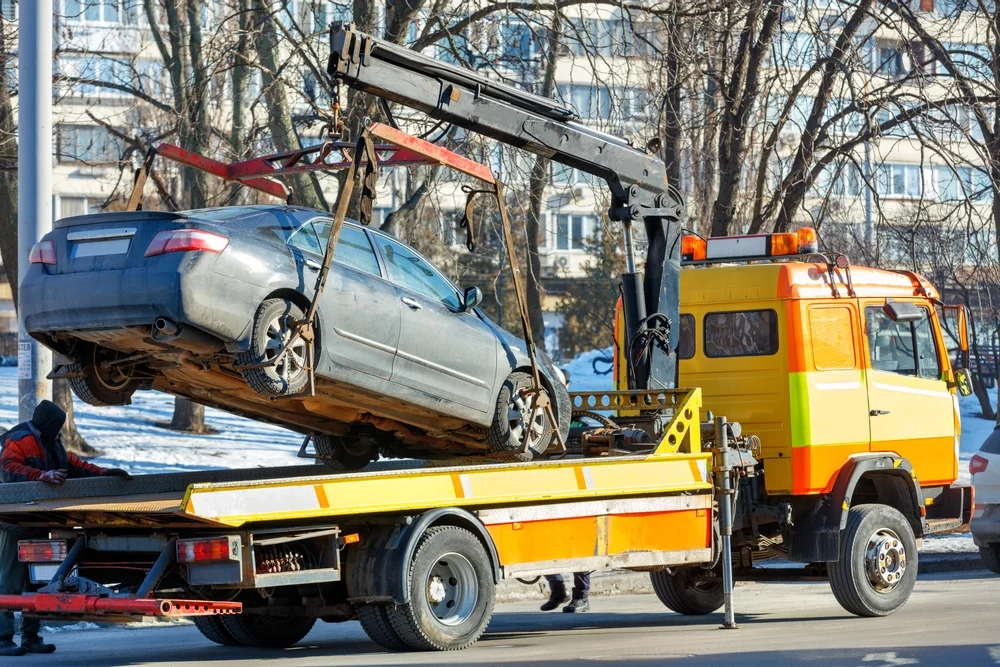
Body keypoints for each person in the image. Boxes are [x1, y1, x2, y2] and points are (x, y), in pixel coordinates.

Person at [0, 400, 131, 656]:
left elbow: (75, 465)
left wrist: (105, 474)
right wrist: (40, 476)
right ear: (48, 424)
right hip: (14, 524)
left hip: (39, 522)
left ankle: (30, 636)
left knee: (36, 584)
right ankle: (3, 638)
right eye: (56, 426)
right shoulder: (20, 439)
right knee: (9, 582)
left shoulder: (51, 441)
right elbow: (7, 469)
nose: (59, 430)